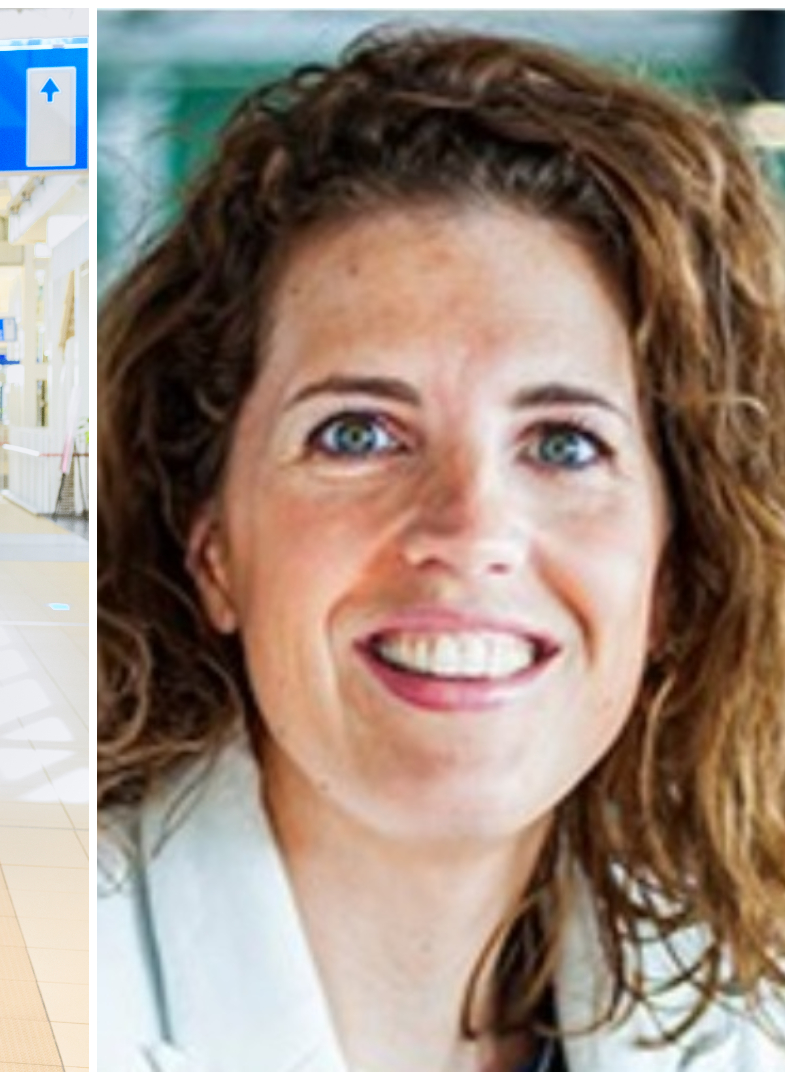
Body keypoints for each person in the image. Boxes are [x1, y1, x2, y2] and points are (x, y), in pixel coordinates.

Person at [96, 30, 783, 1071]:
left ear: (674, 574)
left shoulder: (752, 1021)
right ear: (214, 549)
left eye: (563, 444)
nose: (469, 534)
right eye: (358, 434)